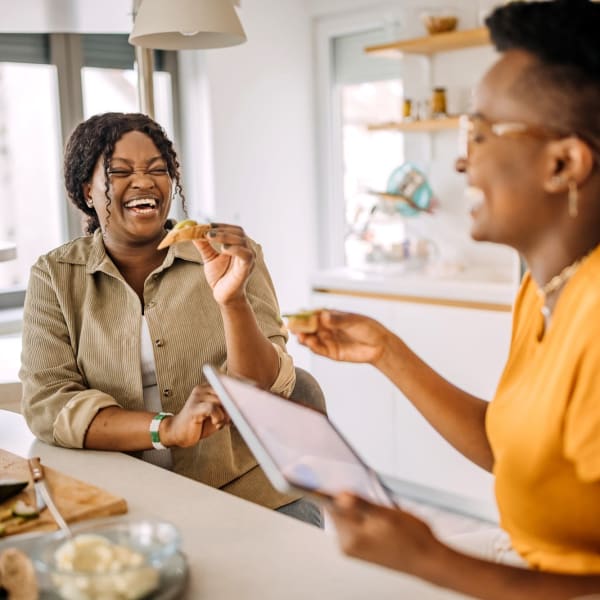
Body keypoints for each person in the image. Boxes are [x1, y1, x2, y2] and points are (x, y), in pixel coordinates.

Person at [293, 0, 600, 594]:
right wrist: (386, 350)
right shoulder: (544, 286)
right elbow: (512, 450)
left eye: (480, 132)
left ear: (564, 162)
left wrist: (431, 560)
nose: (462, 159)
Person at [19, 112, 321, 528]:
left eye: (158, 169)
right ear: (88, 191)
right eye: (120, 171)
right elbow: (47, 403)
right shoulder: (54, 275)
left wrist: (232, 301)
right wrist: (168, 429)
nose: (144, 181)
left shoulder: (232, 255)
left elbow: (267, 388)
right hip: (121, 496)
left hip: (247, 492)